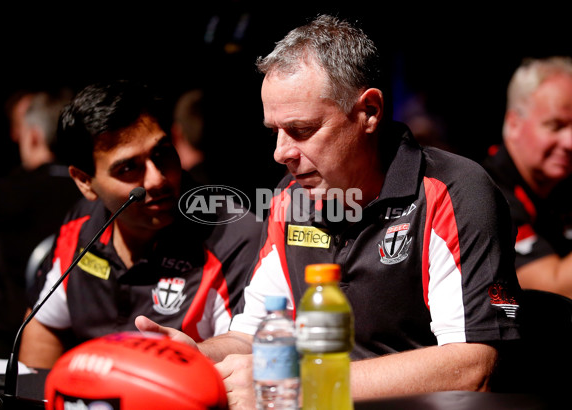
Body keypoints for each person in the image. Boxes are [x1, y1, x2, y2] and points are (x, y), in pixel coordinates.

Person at [136, 15, 522, 405]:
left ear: (368, 112)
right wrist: (196, 357)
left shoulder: (452, 191)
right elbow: (254, 335)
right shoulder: (292, 197)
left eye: (301, 130)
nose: (280, 153)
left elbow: (473, 366)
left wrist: (299, 385)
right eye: (275, 132)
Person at [18, 79, 261, 369]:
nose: (157, 179)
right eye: (128, 168)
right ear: (85, 182)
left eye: (161, 154)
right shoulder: (81, 223)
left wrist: (195, 354)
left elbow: (246, 350)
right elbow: (43, 325)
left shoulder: (234, 235)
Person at [0, 87, 83, 358]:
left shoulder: (4, 192)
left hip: (8, 345)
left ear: (32, 136)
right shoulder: (91, 192)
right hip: (78, 341)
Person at [483, 56, 572, 298]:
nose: (569, 142)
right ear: (514, 124)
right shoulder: (487, 191)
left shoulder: (561, 185)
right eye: (556, 126)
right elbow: (552, 290)